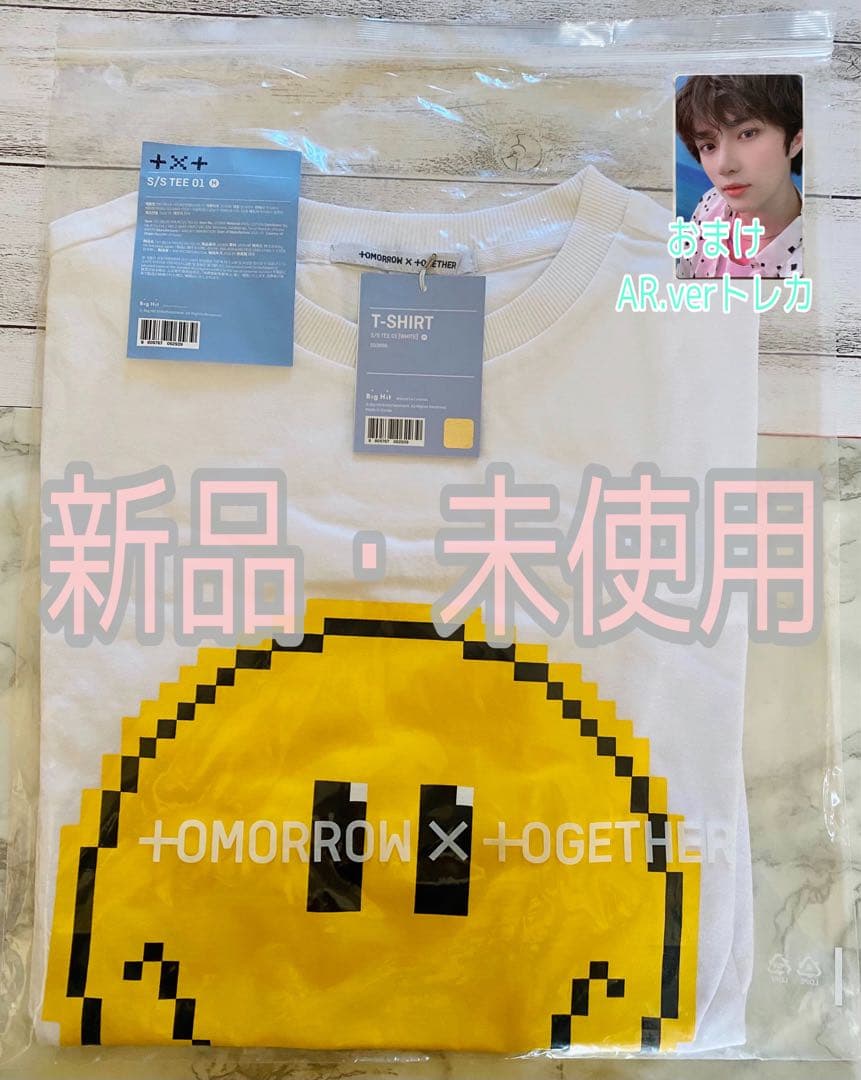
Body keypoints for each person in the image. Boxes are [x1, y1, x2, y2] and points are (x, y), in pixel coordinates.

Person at [675, 75, 803, 278]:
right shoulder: (710, 204)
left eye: (748, 134)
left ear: (795, 139)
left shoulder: (820, 258)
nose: (724, 166)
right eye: (708, 146)